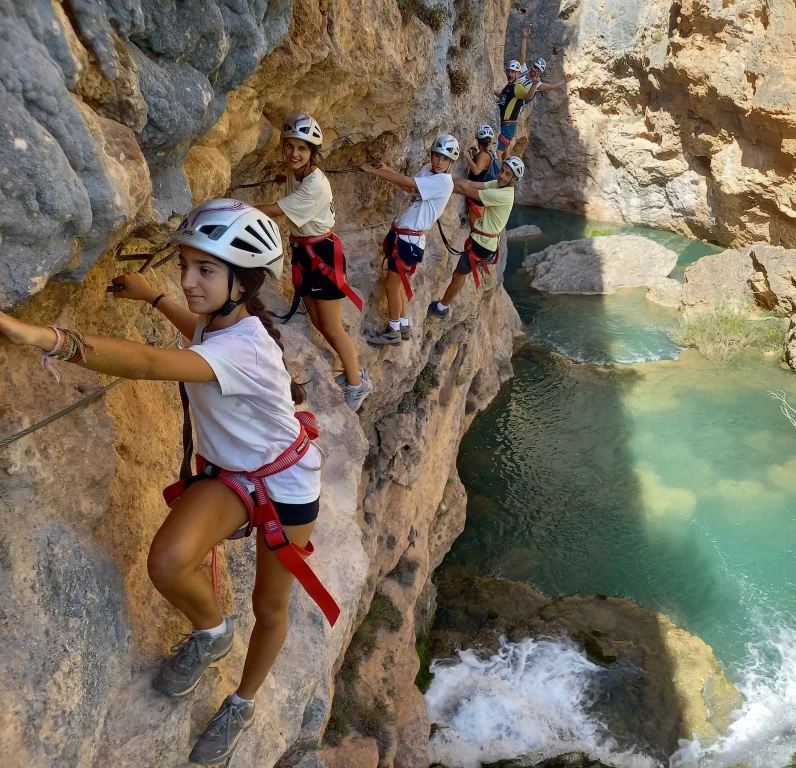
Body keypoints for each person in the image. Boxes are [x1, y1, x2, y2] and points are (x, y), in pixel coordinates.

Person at [0, 199, 340, 766]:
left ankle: (243, 702)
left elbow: (150, 364)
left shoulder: (246, 348)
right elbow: (200, 336)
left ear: (243, 280)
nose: (187, 281)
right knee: (168, 561)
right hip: (236, 475)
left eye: (204, 271)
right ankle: (212, 632)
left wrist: (44, 337)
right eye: (185, 266)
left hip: (285, 486)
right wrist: (154, 297)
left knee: (270, 605)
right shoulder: (231, 326)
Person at [254, 113, 371, 412]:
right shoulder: (299, 173)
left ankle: (357, 385)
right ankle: (355, 374)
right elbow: (292, 184)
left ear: (313, 152)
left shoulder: (314, 185)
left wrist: (237, 209)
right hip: (307, 252)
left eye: (302, 148)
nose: (294, 153)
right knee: (318, 321)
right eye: (290, 146)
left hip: (322, 255)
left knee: (331, 326)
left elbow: (273, 210)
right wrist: (285, 178)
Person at [359, 134, 460, 347]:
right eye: (437, 156)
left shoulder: (443, 181)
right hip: (404, 237)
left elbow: (407, 182)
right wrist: (386, 169)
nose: (439, 162)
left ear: (451, 163)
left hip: (409, 241)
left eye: (445, 159)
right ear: (431, 155)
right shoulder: (428, 170)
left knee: (391, 287)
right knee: (398, 285)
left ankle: (394, 331)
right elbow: (409, 186)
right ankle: (403, 325)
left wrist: (374, 172)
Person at [427, 156, 525, 319]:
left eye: (507, 174)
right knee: (462, 272)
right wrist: (445, 178)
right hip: (484, 240)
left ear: (514, 179)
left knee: (459, 273)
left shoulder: (502, 195)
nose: (501, 175)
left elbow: (466, 191)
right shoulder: (500, 186)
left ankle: (442, 307)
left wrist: (439, 184)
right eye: (502, 171)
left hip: (482, 244)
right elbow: (469, 184)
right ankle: (443, 305)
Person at [494, 61, 540, 159]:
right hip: (506, 124)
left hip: (507, 125)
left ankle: (498, 174)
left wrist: (534, 85)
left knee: (497, 154)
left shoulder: (517, 87)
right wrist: (492, 91)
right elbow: (504, 98)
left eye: (512, 72)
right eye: (508, 71)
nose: (510, 74)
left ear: (518, 74)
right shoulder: (510, 86)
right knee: (505, 154)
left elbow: (528, 96)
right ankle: (509, 173)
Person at [465, 124, 502, 228]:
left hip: (477, 198)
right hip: (483, 194)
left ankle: (474, 242)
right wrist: (475, 153)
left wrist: (467, 156)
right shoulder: (489, 153)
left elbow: (476, 170)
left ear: (478, 141)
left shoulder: (483, 155)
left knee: (475, 226)